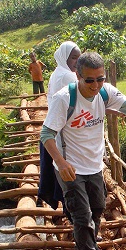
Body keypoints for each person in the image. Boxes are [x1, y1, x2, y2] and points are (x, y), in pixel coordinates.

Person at [40, 52, 126, 250]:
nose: (96, 85)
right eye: (90, 80)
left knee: (97, 207)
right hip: (70, 165)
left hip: (94, 163)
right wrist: (60, 163)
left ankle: (86, 239)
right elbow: (47, 134)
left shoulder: (105, 93)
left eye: (100, 79)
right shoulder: (64, 99)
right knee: (81, 213)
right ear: (77, 76)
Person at [37, 41, 81, 209]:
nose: (76, 62)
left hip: (54, 126)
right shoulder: (67, 76)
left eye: (78, 58)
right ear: (65, 58)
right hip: (63, 132)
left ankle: (70, 212)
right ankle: (73, 215)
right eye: (73, 58)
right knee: (69, 174)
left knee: (60, 174)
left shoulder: (58, 72)